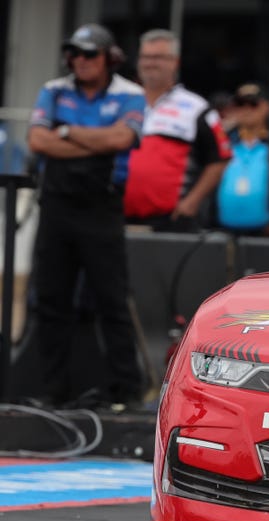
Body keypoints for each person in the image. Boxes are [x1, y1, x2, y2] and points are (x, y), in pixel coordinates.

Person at [26, 23, 145, 408]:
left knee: (111, 300)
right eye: (74, 53)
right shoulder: (53, 88)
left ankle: (126, 393)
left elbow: (122, 139)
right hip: (57, 206)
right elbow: (36, 140)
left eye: (89, 54)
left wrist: (65, 133)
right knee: (50, 299)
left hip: (102, 208)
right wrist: (93, 141)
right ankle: (54, 392)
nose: (80, 60)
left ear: (109, 58)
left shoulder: (131, 93)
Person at [123, 29, 230, 232]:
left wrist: (192, 202)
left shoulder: (196, 107)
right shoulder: (123, 100)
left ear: (175, 62)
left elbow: (221, 158)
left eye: (158, 57)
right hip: (116, 217)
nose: (150, 63)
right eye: (146, 57)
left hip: (171, 222)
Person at [214, 83, 269, 236]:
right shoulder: (222, 141)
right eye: (240, 104)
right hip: (222, 233)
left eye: (253, 104)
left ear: (267, 107)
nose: (247, 109)